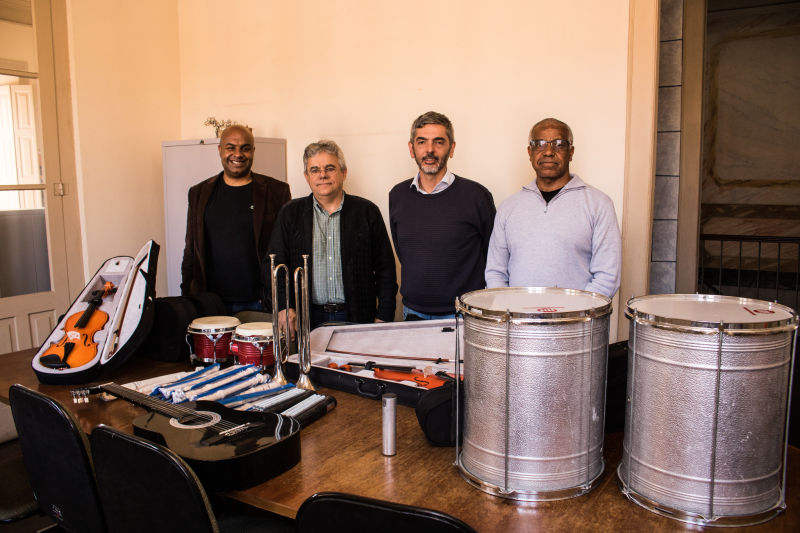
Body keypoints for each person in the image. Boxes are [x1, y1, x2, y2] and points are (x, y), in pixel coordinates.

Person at [269, 140, 397, 338]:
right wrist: (284, 307)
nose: (322, 175)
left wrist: (384, 318)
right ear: (306, 176)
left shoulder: (367, 212)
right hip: (307, 319)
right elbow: (276, 266)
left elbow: (385, 270)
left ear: (343, 173)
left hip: (357, 317)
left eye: (330, 168)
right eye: (314, 170)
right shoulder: (289, 214)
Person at [485, 118, 621, 298]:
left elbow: (607, 277)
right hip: (519, 324)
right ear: (530, 152)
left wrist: (573, 314)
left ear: (571, 152)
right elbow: (496, 273)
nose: (548, 151)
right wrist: (509, 311)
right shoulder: (509, 207)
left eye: (559, 144)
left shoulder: (599, 204)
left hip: (575, 323)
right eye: (539, 144)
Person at [389, 111, 495, 319]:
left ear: (452, 148)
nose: (430, 150)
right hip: (412, 313)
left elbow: (493, 255)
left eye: (439, 142)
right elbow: (405, 252)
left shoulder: (477, 196)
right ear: (412, 148)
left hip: (463, 315)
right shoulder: (398, 195)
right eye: (422, 142)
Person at [181, 125, 291, 314]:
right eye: (231, 147)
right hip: (211, 302)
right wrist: (187, 301)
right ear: (220, 150)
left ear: (253, 151)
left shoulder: (276, 191)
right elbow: (191, 250)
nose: (238, 154)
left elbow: (287, 249)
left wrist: (285, 303)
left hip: (261, 302)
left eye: (245, 148)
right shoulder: (198, 193)